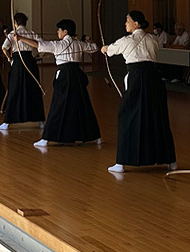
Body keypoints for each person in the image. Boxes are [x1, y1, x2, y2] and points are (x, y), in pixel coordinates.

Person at [102, 10, 177, 172]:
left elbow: (110, 50)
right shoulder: (153, 39)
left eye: (127, 20)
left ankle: (121, 162)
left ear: (136, 23)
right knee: (158, 116)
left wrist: (104, 48)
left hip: (136, 78)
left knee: (128, 116)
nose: (125, 23)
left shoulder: (126, 40)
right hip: (154, 78)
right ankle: (170, 161)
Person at [15, 19, 100, 147]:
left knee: (58, 105)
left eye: (59, 30)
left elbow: (38, 44)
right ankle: (95, 136)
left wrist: (20, 38)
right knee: (83, 104)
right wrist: (87, 38)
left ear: (65, 31)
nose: (57, 32)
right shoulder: (79, 44)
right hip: (77, 75)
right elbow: (95, 47)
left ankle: (47, 138)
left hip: (64, 76)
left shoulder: (58, 45)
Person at [0, 12, 45, 130]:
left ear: (15, 23)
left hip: (18, 62)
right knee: (33, 89)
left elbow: (4, 48)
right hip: (30, 61)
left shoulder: (13, 33)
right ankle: (40, 121)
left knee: (15, 89)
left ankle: (7, 122)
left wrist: (9, 58)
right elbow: (41, 46)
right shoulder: (31, 33)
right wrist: (38, 56)